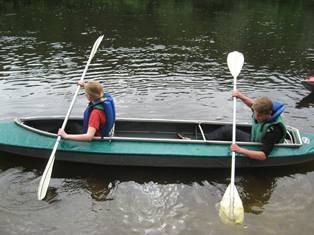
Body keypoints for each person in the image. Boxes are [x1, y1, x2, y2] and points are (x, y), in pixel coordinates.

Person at [205, 90, 286, 161]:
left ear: (269, 113)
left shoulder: (274, 130)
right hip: (254, 139)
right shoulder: (260, 111)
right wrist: (240, 96)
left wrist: (239, 150)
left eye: (259, 115)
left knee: (228, 132)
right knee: (227, 130)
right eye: (255, 113)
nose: (256, 117)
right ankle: (203, 139)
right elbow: (252, 104)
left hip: (259, 148)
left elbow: (263, 156)